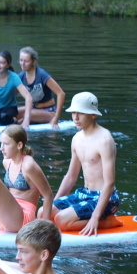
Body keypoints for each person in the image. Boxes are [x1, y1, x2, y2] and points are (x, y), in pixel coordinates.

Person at [49, 92, 122, 236]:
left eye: (81, 113)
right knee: (44, 213)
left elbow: (110, 183)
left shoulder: (104, 140)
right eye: (73, 113)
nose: (75, 118)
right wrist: (54, 204)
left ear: (93, 114)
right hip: (84, 193)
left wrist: (95, 217)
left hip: (106, 197)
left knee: (61, 220)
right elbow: (71, 176)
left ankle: (107, 221)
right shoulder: (76, 139)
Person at [15, 47, 66, 129]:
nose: (22, 64)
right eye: (21, 60)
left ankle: (23, 121)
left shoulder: (42, 75)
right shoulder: (20, 76)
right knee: (12, 113)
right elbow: (11, 97)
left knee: (27, 115)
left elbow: (61, 94)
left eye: (26, 61)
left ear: (34, 61)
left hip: (49, 111)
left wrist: (56, 118)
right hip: (32, 108)